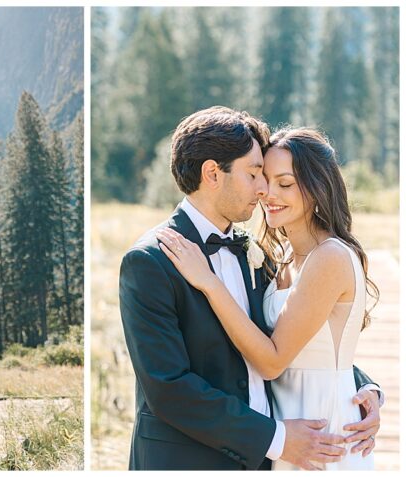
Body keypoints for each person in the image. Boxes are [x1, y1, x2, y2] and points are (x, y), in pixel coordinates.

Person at [119, 106, 382, 470]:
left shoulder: (256, 253)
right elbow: (169, 388)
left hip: (297, 448)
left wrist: (365, 389)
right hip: (194, 460)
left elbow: (298, 337)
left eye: (276, 180)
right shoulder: (151, 261)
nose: (263, 190)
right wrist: (276, 439)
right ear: (213, 173)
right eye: (255, 174)